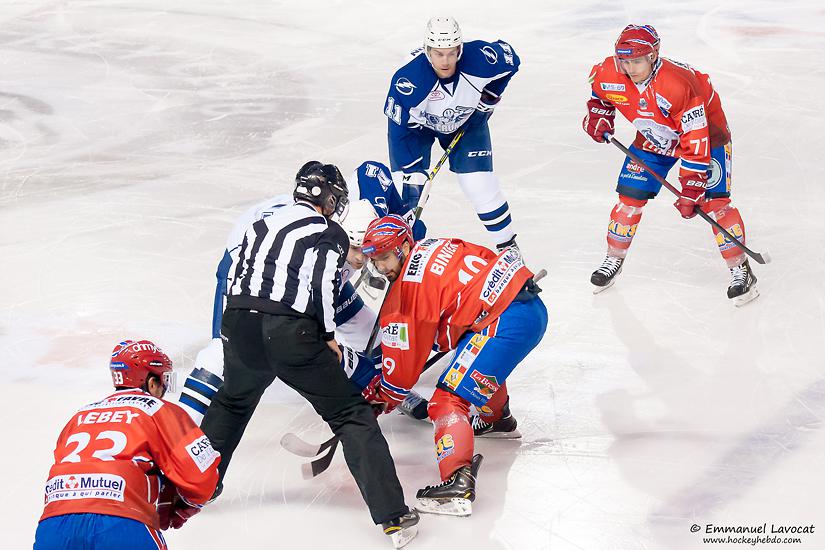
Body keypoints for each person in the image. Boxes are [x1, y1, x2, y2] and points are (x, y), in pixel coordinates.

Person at [198, 162, 419, 548]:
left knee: (232, 403)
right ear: (330, 199)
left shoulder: (260, 224)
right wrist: (327, 335)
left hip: (239, 324)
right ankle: (394, 518)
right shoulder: (329, 232)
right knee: (351, 416)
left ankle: (194, 488)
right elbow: (321, 283)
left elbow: (236, 275)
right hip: (289, 332)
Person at [179, 160, 423, 424]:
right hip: (250, 267)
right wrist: (356, 371)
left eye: (367, 251)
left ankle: (392, 389)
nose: (362, 260)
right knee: (224, 351)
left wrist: (405, 221)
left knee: (372, 331)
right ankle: (179, 428)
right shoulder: (312, 250)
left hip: (317, 270)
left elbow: (371, 171)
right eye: (355, 249)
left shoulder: (359, 212)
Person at [360, 215, 548, 517]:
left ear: (404, 247)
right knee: (471, 364)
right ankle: (497, 420)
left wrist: (382, 397)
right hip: (527, 308)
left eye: (384, 257)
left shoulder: (406, 294)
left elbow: (402, 374)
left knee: (446, 399)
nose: (381, 267)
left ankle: (457, 483)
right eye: (375, 260)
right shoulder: (435, 245)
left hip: (503, 323)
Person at [582, 24, 759, 305]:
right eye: (624, 61)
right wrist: (599, 116)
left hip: (707, 136)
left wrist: (692, 187)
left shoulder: (678, 85)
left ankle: (741, 270)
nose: (629, 68)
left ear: (653, 56)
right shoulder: (608, 72)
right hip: (655, 135)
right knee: (630, 198)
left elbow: (696, 139)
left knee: (715, 204)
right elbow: (600, 96)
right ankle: (613, 259)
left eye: (636, 61)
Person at [34, 340, 220, 550]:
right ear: (151, 382)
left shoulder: (79, 416)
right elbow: (201, 477)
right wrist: (185, 505)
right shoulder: (158, 409)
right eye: (164, 380)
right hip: (119, 521)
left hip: (55, 524)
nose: (164, 388)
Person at [384, 17, 521, 251]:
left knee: (479, 184)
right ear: (427, 51)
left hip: (465, 122)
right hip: (417, 129)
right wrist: (410, 170)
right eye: (438, 54)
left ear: (460, 49)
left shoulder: (480, 59)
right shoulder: (408, 81)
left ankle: (509, 249)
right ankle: (402, 255)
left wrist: (487, 100)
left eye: (451, 53)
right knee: (408, 194)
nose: (445, 61)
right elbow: (398, 130)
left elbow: (512, 60)